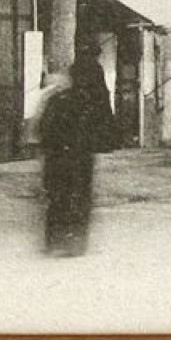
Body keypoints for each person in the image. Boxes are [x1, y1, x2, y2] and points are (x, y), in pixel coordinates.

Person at [37, 70, 99, 257]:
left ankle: (55, 242)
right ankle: (76, 243)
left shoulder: (53, 103)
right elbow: (92, 132)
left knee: (57, 200)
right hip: (80, 160)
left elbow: (44, 130)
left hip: (58, 161)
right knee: (79, 200)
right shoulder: (85, 103)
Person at [69, 43, 116, 153]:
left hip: (82, 97)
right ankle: (99, 145)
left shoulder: (75, 66)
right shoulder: (96, 67)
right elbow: (100, 84)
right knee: (98, 122)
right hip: (95, 98)